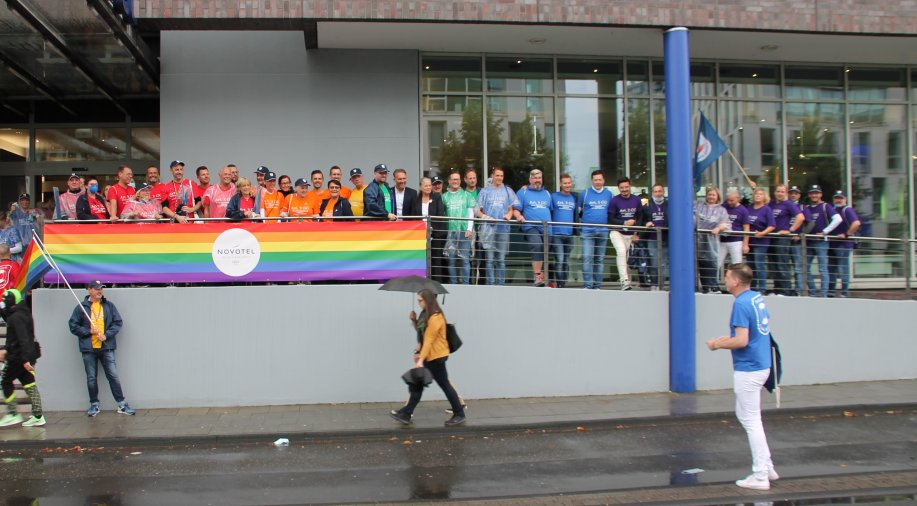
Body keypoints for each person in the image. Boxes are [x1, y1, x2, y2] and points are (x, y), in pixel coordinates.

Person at [706, 263, 779, 491]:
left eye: (727, 277)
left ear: (736, 281)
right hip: (762, 364)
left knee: (751, 420)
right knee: (746, 415)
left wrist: (717, 344)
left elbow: (741, 340)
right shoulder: (755, 298)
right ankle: (767, 467)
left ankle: (760, 475)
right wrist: (726, 339)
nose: (725, 280)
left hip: (749, 368)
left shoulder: (740, 303)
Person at [390, 289, 466, 427]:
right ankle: (406, 413)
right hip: (429, 356)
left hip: (436, 357)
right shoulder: (426, 314)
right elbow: (422, 334)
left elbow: (429, 340)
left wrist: (420, 359)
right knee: (418, 383)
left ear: (427, 300)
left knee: (443, 385)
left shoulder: (436, 317)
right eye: (418, 300)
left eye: (420, 300)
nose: (419, 303)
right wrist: (414, 320)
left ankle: (459, 413)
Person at [68, 281, 135, 417]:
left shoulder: (109, 306)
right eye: (97, 289)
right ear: (89, 290)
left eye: (101, 289)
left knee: (113, 376)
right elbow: (73, 326)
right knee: (91, 378)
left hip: (106, 347)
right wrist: (89, 331)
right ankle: (94, 404)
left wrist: (107, 335)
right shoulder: (81, 308)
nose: (100, 291)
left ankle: (122, 404)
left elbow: (118, 322)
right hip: (89, 349)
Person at [0, 288, 45, 427]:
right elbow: (8, 317)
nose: (4, 302)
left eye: (5, 300)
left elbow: (23, 338)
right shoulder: (24, 313)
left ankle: (13, 413)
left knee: (5, 381)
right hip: (28, 354)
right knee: (29, 383)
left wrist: (25, 360)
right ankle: (38, 416)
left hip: (18, 357)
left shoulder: (16, 318)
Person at [512, 169, 553, 287]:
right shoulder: (523, 192)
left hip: (547, 228)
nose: (537, 180)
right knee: (537, 245)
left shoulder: (547, 193)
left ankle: (543, 278)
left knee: (545, 251)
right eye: (535, 178)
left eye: (539, 178)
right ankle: (537, 276)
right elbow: (516, 209)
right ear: (530, 179)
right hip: (530, 226)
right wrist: (519, 216)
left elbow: (550, 210)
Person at [474, 167, 515, 286]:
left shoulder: (507, 191)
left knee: (501, 260)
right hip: (488, 230)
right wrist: (487, 218)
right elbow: (477, 211)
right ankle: (491, 285)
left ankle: (501, 285)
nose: (499, 178)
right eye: (497, 175)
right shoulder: (485, 191)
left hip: (503, 229)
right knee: (490, 260)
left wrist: (509, 215)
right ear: (492, 176)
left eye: (501, 176)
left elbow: (511, 209)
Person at [802, 184, 842, 297]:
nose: (814, 195)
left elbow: (838, 219)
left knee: (823, 269)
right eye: (812, 193)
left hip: (821, 242)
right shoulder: (807, 208)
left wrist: (825, 232)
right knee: (805, 268)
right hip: (808, 242)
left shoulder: (826, 206)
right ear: (809, 195)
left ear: (820, 194)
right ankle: (812, 292)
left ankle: (823, 294)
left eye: (816, 193)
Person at [578, 170, 612, 290]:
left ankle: (597, 286)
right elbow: (579, 211)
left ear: (603, 181)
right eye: (595, 180)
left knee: (599, 259)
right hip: (587, 230)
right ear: (592, 181)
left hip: (603, 230)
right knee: (586, 258)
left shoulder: (609, 194)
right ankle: (587, 286)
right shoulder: (585, 193)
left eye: (600, 180)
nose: (598, 182)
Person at [608, 177, 643, 290]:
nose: (624, 189)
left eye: (626, 187)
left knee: (627, 259)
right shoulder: (614, 201)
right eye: (621, 188)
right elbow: (610, 219)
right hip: (617, 232)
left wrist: (637, 232)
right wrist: (624, 223)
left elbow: (640, 217)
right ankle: (624, 281)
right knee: (621, 252)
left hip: (631, 234)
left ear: (630, 186)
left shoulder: (636, 200)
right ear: (618, 188)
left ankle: (628, 282)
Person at [768, 184, 804, 296]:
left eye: (782, 192)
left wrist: (790, 230)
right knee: (774, 265)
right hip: (772, 237)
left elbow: (800, 217)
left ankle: (784, 291)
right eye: (778, 191)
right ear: (775, 192)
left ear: (786, 193)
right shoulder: (772, 203)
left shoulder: (789, 204)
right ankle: (777, 290)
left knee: (782, 264)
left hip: (782, 238)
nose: (780, 193)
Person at [442, 172, 477, 284]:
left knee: (465, 260)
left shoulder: (467, 195)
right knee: (451, 260)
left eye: (457, 179)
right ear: (449, 181)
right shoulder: (444, 197)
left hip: (464, 232)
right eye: (453, 179)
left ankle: (466, 284)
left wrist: (469, 229)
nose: (455, 181)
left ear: (460, 181)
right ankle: (454, 284)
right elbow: (442, 213)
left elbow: (471, 213)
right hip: (450, 232)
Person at [695, 187, 730, 294]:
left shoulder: (721, 210)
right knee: (695, 263)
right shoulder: (698, 206)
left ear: (717, 196)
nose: (711, 197)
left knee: (710, 263)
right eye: (709, 194)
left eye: (713, 195)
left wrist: (719, 228)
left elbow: (726, 224)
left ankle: (710, 287)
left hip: (711, 242)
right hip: (696, 240)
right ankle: (697, 287)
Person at [828, 190, 860, 298]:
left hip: (843, 244)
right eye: (836, 198)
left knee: (843, 269)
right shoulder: (832, 210)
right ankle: (831, 292)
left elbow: (856, 223)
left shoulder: (847, 210)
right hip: (832, 244)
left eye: (840, 198)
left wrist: (847, 234)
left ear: (845, 199)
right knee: (831, 270)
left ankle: (844, 293)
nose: (838, 200)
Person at [746, 188, 776, 293]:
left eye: (760, 194)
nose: (758, 195)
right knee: (751, 266)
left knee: (759, 265)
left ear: (764, 197)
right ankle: (752, 287)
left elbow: (772, 225)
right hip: (750, 241)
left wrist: (762, 233)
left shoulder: (767, 209)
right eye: (756, 194)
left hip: (761, 242)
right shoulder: (749, 208)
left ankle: (762, 288)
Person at [419, 177, 448, 282]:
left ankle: (436, 284)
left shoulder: (436, 197)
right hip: (420, 235)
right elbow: (413, 215)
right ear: (420, 187)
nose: (428, 187)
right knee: (421, 260)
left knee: (436, 261)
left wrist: (431, 227)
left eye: (429, 185)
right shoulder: (416, 198)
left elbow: (440, 214)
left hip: (435, 234)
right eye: (426, 185)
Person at [718, 189, 750, 280]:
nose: (729, 202)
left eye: (732, 200)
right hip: (722, 240)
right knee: (717, 263)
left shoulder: (743, 210)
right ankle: (713, 284)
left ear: (738, 199)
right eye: (728, 200)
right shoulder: (723, 207)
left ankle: (737, 282)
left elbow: (746, 228)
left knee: (737, 265)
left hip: (736, 241)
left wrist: (745, 244)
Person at [551, 174, 576, 288]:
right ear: (560, 184)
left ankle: (563, 284)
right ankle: (560, 285)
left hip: (569, 235)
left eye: (569, 183)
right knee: (560, 260)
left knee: (566, 261)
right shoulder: (554, 196)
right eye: (565, 183)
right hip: (557, 234)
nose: (567, 185)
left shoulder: (574, 198)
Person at [643, 183, 668, 291]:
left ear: (663, 192)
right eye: (656, 191)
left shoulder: (669, 205)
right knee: (653, 262)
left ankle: (660, 285)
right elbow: (642, 220)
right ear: (652, 193)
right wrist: (646, 223)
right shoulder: (647, 206)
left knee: (663, 263)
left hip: (666, 238)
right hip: (652, 238)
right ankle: (654, 284)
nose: (658, 193)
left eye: (660, 191)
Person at [786, 185, 806, 295]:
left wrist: (801, 234)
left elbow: (810, 223)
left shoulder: (802, 207)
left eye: (795, 193)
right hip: (784, 240)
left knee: (798, 268)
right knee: (785, 266)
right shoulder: (785, 205)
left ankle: (798, 290)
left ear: (799, 195)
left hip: (796, 242)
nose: (793, 195)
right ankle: (787, 289)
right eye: (791, 193)